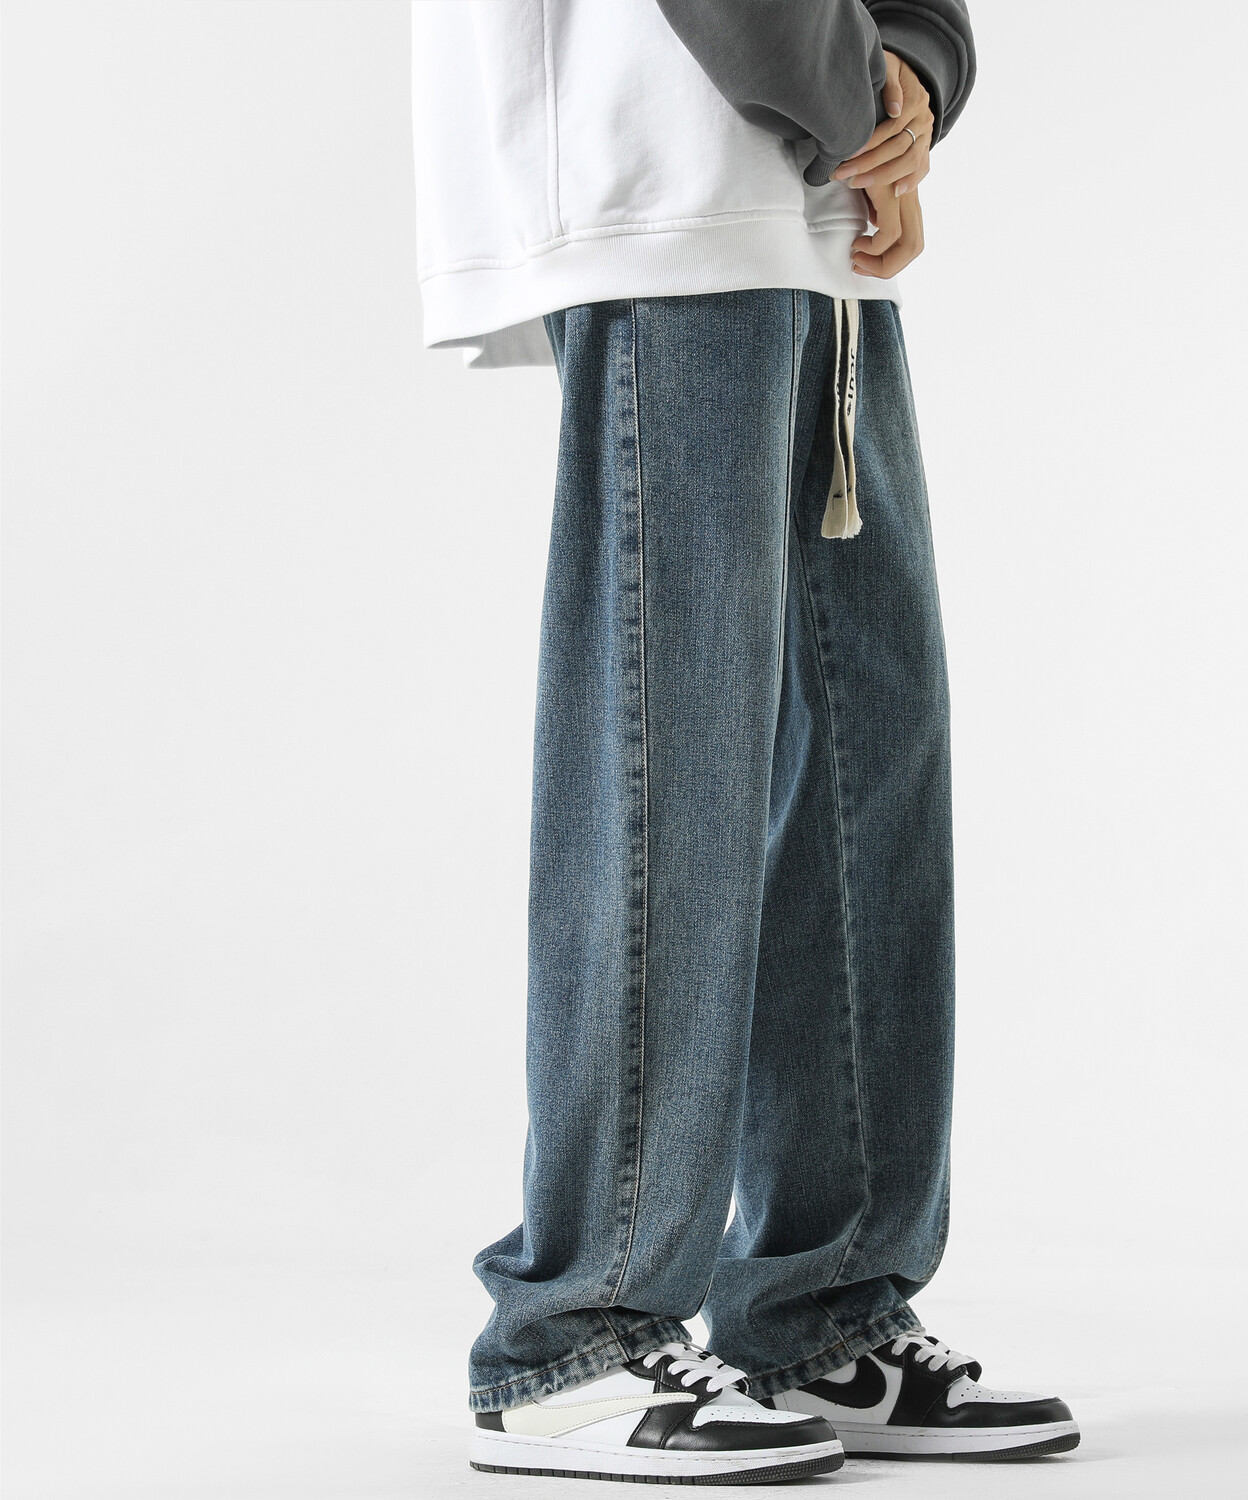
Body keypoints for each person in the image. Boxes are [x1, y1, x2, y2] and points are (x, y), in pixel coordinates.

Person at [412, 0, 1078, 1483]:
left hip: (805, 222)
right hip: (677, 179)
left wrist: (912, 75)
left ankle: (816, 1306)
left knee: (864, 770)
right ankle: (573, 1340)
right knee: (672, 772)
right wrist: (856, 105)